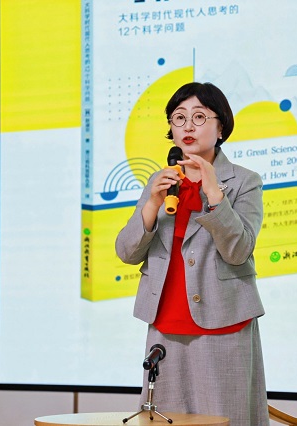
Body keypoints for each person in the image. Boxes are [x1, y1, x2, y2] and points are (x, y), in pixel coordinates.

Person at [116, 82, 269, 425]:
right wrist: (152, 205)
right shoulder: (161, 181)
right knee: (163, 420)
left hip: (223, 323)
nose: (188, 126)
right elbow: (126, 252)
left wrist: (215, 194)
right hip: (165, 325)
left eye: (199, 117)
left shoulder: (244, 181)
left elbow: (239, 250)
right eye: (179, 117)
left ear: (221, 128)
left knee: (224, 420)